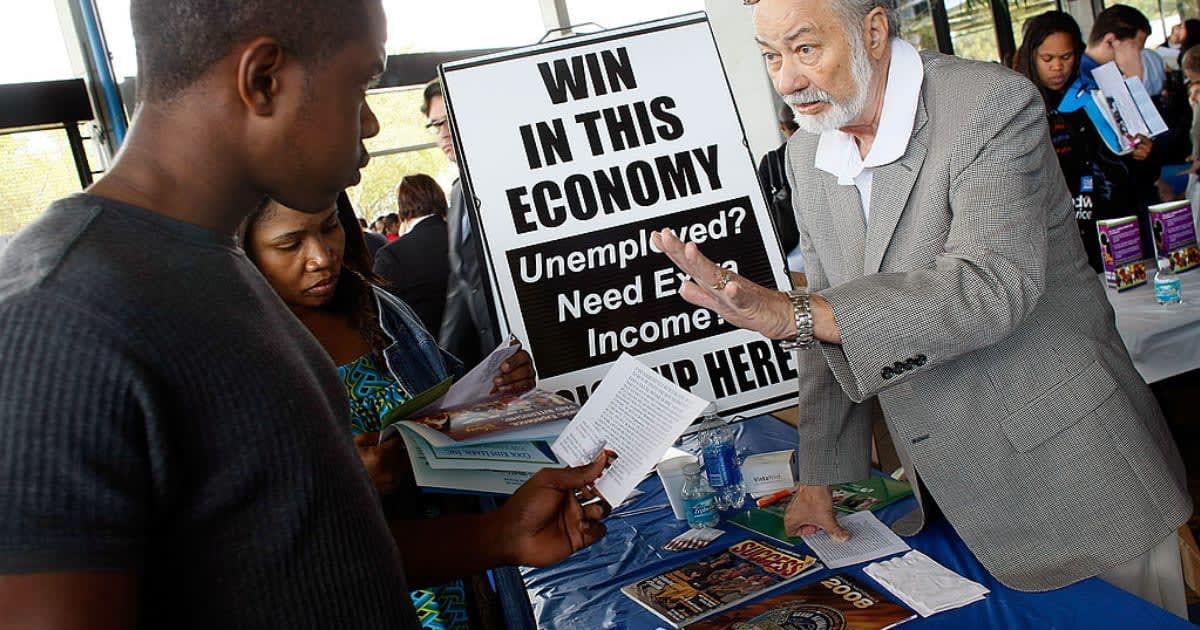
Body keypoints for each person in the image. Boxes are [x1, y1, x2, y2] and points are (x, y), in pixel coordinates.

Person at [0, 1, 613, 628]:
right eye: (361, 84)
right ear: (263, 78)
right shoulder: (60, 320)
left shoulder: (225, 275)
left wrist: (497, 537)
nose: (372, 124)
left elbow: (300, 562)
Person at [653, 0, 1190, 617]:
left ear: (874, 32)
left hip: (1074, 477)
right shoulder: (810, 153)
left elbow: (989, 284)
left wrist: (794, 314)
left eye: (806, 50)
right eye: (771, 56)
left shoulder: (988, 105)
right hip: (950, 490)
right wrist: (822, 475)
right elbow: (824, 324)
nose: (787, 81)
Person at [241, 192, 530, 628]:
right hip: (358, 595)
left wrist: (497, 388)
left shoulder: (379, 309)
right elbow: (248, 528)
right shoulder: (240, 356)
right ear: (243, 250)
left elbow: (448, 401)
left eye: (329, 227)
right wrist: (357, 488)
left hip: (460, 567)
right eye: (290, 244)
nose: (321, 256)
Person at [1014, 11, 1138, 271]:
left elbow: (1129, 161)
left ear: (1078, 54)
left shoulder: (1095, 95)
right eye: (1047, 58)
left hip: (1113, 220)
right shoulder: (1020, 107)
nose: (1057, 66)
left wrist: (1143, 154)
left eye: (1066, 57)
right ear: (1031, 56)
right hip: (1059, 233)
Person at [1057, 5, 1165, 266]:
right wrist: (1134, 79)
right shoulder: (1084, 85)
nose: (1140, 56)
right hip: (1107, 211)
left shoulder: (1104, 79)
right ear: (1111, 41)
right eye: (1137, 48)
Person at [424, 78, 500, 368]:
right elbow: (460, 285)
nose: (443, 133)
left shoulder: (514, 182)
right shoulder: (456, 193)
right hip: (497, 360)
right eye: (435, 124)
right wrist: (440, 363)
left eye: (450, 120)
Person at [374, 174, 450, 331]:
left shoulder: (392, 255)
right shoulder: (465, 238)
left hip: (430, 349)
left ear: (402, 207)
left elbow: (380, 316)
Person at [757, 103, 803, 271]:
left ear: (782, 127)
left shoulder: (771, 163)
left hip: (792, 252)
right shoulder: (827, 153)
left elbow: (763, 210)